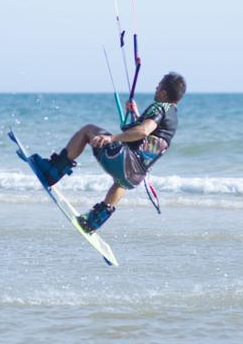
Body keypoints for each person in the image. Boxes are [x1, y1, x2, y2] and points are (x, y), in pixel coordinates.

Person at [30, 72, 186, 233]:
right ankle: (93, 221)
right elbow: (149, 136)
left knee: (88, 130)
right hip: (135, 176)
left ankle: (53, 171)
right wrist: (136, 114)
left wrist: (112, 138)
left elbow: (144, 131)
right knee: (121, 182)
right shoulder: (173, 117)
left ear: (164, 93)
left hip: (124, 161)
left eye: (159, 85)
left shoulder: (160, 107)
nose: (156, 87)